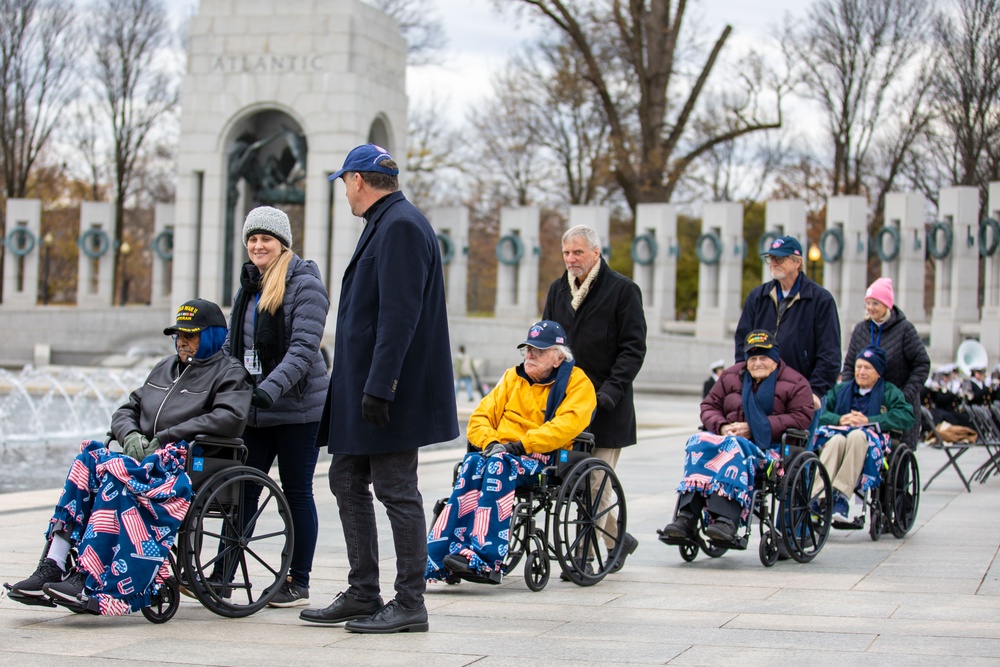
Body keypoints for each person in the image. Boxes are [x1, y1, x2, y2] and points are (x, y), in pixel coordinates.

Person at [5, 299, 252, 614]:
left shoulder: (230, 373)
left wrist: (165, 437)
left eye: (190, 335)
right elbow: (126, 409)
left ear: (213, 336)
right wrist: (131, 435)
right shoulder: (164, 367)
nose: (182, 342)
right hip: (143, 463)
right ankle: (53, 561)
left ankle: (89, 576)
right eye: (178, 335)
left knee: (116, 477)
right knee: (88, 461)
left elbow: (229, 418)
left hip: (183, 466)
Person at [302, 144, 458, 634]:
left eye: (344, 181)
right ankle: (363, 591)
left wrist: (382, 386)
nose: (345, 191)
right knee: (345, 480)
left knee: (395, 488)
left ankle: (410, 601)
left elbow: (399, 315)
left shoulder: (402, 226)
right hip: (364, 389)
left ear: (357, 180)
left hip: (388, 393)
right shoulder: (386, 222)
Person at [426, 320, 597, 580]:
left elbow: (565, 426)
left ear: (557, 356)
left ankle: (485, 560)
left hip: (542, 458)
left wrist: (521, 445)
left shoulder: (577, 383)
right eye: (527, 349)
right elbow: (480, 417)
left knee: (498, 466)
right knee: (472, 463)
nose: (530, 355)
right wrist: (492, 442)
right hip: (502, 451)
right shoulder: (511, 377)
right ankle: (446, 553)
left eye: (538, 351)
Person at [225, 205, 331, 608]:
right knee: (243, 492)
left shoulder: (305, 285)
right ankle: (222, 574)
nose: (257, 245)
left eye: (265, 238)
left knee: (297, 492)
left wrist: (269, 389)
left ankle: (298, 580)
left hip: (296, 408)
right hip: (254, 408)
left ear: (282, 243)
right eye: (252, 238)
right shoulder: (248, 287)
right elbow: (234, 346)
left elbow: (304, 350)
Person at [542, 224, 646, 573]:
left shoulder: (623, 291)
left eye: (578, 252)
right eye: (566, 253)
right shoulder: (557, 291)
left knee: (593, 485)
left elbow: (633, 350)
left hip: (606, 408)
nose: (571, 259)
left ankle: (583, 559)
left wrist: (610, 393)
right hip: (567, 405)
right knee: (579, 484)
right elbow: (546, 344)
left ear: (596, 253)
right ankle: (618, 540)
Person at [660, 330, 814, 544]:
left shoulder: (796, 383)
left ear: (775, 359)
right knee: (698, 442)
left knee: (734, 447)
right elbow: (709, 406)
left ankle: (725, 520)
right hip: (729, 439)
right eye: (753, 358)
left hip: (770, 450)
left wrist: (756, 428)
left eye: (763, 358)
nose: (757, 363)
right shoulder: (731, 376)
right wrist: (722, 426)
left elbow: (801, 417)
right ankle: (686, 517)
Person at [735, 235, 840, 411]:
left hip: (802, 394)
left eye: (780, 258)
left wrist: (815, 391)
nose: (773, 263)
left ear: (797, 262)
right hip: (759, 390)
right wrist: (744, 378)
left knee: (796, 440)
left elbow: (830, 354)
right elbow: (741, 342)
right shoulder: (757, 297)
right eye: (771, 258)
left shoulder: (821, 300)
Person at [815, 346, 915, 522]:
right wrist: (840, 419)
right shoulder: (841, 390)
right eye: (858, 367)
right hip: (839, 436)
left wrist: (868, 420)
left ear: (878, 373)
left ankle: (840, 497)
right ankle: (818, 496)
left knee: (857, 436)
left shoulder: (889, 392)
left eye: (867, 368)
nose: (861, 372)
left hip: (869, 439)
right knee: (837, 440)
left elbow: (906, 416)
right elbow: (819, 412)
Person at [841, 277, 929, 446]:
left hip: (896, 406)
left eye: (876, 303)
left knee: (895, 456)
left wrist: (904, 396)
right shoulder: (860, 329)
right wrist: (848, 394)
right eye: (868, 303)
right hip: (863, 404)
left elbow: (922, 364)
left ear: (887, 305)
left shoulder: (905, 330)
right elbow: (849, 365)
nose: (870, 308)